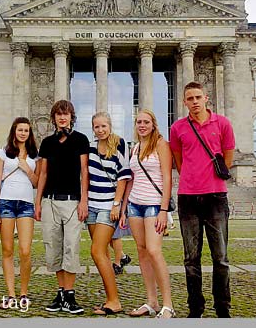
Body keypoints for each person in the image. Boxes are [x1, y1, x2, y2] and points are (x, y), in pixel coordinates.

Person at [169, 81, 235, 318]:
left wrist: (209, 178)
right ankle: (195, 308)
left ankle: (222, 308)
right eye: (190, 98)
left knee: (221, 258)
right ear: (184, 102)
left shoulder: (223, 123)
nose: (194, 102)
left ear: (206, 98)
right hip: (187, 197)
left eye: (198, 97)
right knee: (191, 258)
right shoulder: (177, 128)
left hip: (216, 196)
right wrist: (193, 177)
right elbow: (178, 160)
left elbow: (228, 157)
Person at [34, 100, 89, 315]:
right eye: (58, 114)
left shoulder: (80, 140)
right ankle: (61, 292)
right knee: (53, 248)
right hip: (49, 200)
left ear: (71, 116)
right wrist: (38, 202)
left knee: (71, 247)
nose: (62, 117)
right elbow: (43, 174)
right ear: (54, 117)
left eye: (65, 114)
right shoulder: (47, 142)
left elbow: (84, 172)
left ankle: (70, 294)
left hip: (72, 201)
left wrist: (84, 200)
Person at [120, 109, 175, 318]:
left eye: (146, 122)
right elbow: (131, 180)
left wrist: (163, 210)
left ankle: (168, 304)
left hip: (154, 205)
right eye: (139, 122)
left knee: (154, 251)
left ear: (153, 124)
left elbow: (167, 178)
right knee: (141, 252)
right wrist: (124, 207)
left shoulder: (161, 144)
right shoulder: (134, 148)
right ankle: (151, 301)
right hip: (135, 205)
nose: (142, 125)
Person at [0, 117, 40, 312]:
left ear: (30, 134)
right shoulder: (2, 153)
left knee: (25, 250)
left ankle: (24, 293)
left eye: (26, 130)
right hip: (6, 203)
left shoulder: (35, 156)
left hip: (26, 204)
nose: (23, 133)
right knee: (7, 250)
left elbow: (37, 182)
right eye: (20, 130)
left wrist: (27, 168)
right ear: (14, 131)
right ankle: (11, 294)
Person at [87, 112, 131, 315]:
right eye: (97, 127)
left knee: (96, 251)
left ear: (110, 126)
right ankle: (109, 299)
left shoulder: (119, 146)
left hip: (107, 207)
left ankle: (115, 300)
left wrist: (116, 205)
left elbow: (123, 178)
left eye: (104, 126)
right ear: (93, 129)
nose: (101, 130)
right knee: (102, 254)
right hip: (92, 207)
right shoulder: (90, 149)